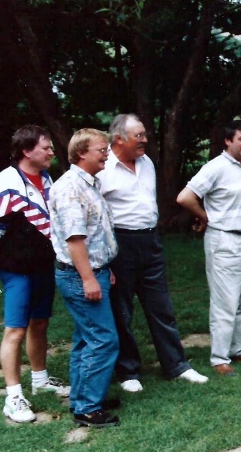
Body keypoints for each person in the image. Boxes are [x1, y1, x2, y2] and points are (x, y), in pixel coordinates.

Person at [99, 114, 208, 391]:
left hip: (150, 241)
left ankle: (176, 365)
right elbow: (96, 215)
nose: (145, 140)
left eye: (145, 134)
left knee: (161, 306)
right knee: (121, 310)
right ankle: (128, 372)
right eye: (139, 136)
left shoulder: (146, 162)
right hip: (120, 243)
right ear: (119, 139)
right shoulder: (102, 169)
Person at [176, 120, 241, 377]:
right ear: (228, 141)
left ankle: (238, 349)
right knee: (226, 300)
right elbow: (185, 197)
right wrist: (206, 217)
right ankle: (219, 358)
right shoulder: (215, 168)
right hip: (224, 239)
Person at [49, 128, 122, 427]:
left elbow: (94, 234)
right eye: (101, 150)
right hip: (80, 277)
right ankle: (88, 408)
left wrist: (104, 267)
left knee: (85, 339)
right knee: (103, 339)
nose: (106, 154)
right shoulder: (70, 188)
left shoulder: (90, 183)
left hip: (94, 271)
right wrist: (89, 278)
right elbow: (75, 239)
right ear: (81, 153)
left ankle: (83, 397)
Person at [0, 125, 70, 423]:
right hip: (15, 267)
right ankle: (13, 395)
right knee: (15, 330)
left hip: (43, 262)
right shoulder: (7, 180)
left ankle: (40, 378)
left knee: (39, 322)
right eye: (46, 147)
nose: (52, 151)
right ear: (26, 151)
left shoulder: (46, 178)